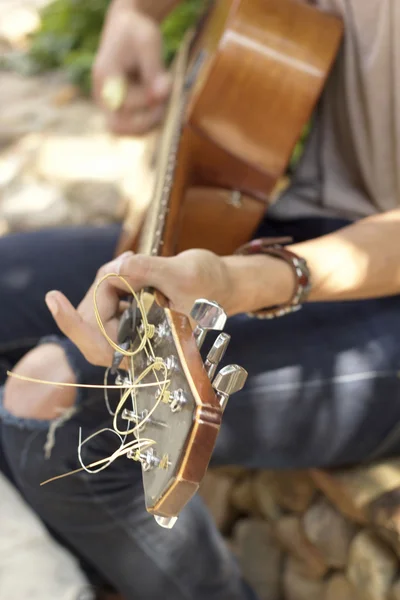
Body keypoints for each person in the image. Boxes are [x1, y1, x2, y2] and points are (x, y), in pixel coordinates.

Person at [2, 0, 400, 598]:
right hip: (303, 222)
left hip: (366, 283)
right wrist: (135, 16)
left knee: (52, 400)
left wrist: (242, 280)